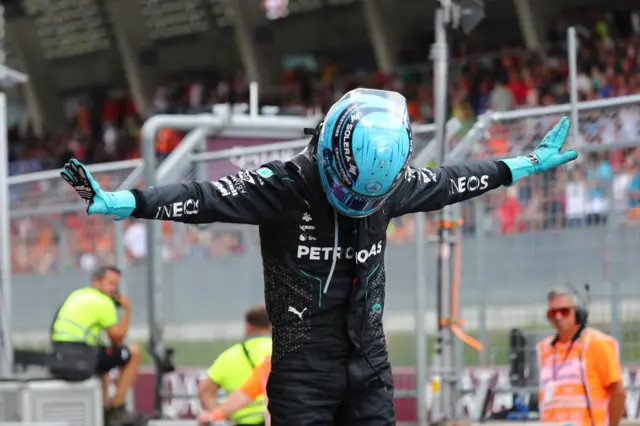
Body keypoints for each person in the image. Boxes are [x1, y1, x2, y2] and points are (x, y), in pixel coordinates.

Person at [61, 88, 577, 426]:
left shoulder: (392, 184)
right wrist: (128, 201)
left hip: (370, 364)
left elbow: (451, 181)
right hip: (302, 373)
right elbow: (205, 196)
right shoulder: (284, 184)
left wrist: (522, 164)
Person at [50, 266, 142, 423]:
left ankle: (103, 408)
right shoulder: (103, 302)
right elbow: (118, 340)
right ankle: (117, 409)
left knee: (104, 360)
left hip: (59, 357)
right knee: (134, 352)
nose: (114, 290)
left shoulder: (77, 294)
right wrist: (127, 310)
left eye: (116, 285)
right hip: (81, 357)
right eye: (110, 284)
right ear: (96, 282)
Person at [538, 285, 626, 426]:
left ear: (578, 313)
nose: (558, 317)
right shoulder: (545, 348)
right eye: (552, 313)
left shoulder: (597, 343)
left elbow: (618, 392)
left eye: (564, 311)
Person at [197, 306, 272, 426]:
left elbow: (204, 391)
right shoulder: (282, 353)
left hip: (241, 421)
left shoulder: (229, 356)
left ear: (247, 327)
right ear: (271, 325)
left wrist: (218, 416)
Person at [197, 355, 272, 426]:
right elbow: (245, 393)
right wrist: (215, 414)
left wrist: (214, 415)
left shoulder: (272, 363)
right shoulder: (270, 364)